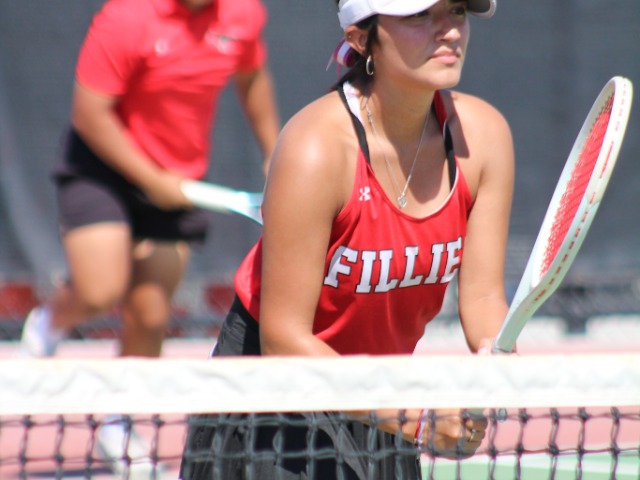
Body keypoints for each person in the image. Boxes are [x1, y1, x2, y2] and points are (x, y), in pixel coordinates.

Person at [180, 0, 513, 478]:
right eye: (420, 15)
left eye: (457, 11)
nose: (449, 31)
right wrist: (419, 419)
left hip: (382, 400)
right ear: (360, 37)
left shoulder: (484, 137)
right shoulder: (315, 149)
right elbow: (284, 340)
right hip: (274, 402)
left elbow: (482, 296)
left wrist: (497, 357)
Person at [18, 0, 280, 475]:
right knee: (100, 290)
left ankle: (118, 422)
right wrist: (151, 179)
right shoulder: (126, 17)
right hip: (99, 168)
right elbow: (90, 114)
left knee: (151, 312)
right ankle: (49, 321)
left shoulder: (243, 14)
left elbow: (252, 77)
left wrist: (272, 151)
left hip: (177, 176)